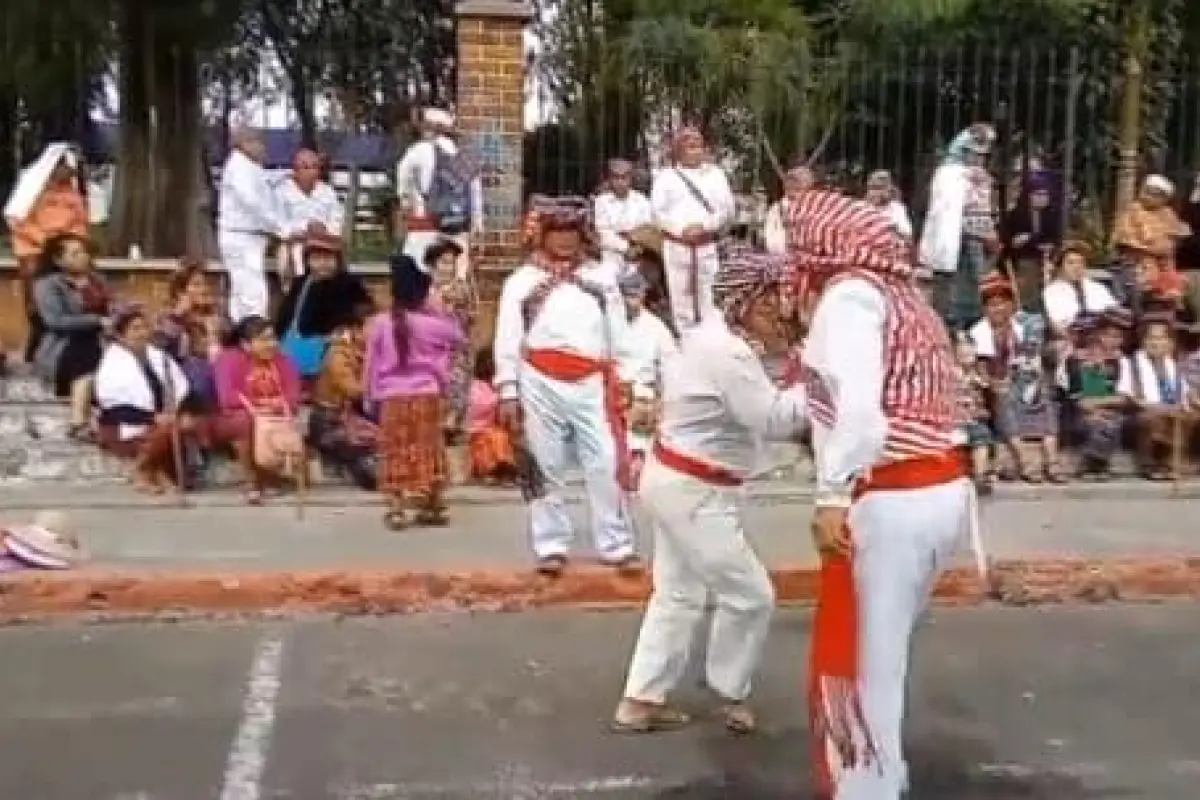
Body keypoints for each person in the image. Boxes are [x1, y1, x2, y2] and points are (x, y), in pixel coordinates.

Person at [788, 186, 975, 800]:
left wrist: (830, 494)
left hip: (893, 498)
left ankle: (867, 788)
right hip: (939, 490)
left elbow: (860, 415)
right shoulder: (907, 299)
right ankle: (884, 776)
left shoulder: (849, 298)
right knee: (886, 657)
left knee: (868, 664)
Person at [612, 246, 805, 735]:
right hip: (693, 491)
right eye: (767, 304)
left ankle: (640, 700)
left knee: (677, 594)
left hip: (680, 482)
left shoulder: (713, 339)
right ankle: (729, 691)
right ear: (740, 304)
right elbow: (774, 419)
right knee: (752, 595)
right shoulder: (728, 353)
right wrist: (820, 385)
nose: (778, 312)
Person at [493, 197, 640, 575]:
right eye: (556, 232)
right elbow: (508, 337)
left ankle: (616, 543)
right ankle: (551, 545)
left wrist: (628, 379)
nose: (564, 241)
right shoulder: (522, 282)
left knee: (606, 462)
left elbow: (619, 334)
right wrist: (508, 388)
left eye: (571, 232)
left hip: (593, 381)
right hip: (538, 380)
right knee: (544, 464)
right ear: (542, 235)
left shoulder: (601, 278)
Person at [365, 253, 465, 529]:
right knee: (429, 448)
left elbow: (371, 366)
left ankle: (396, 509)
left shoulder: (379, 324)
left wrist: (371, 399)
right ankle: (434, 504)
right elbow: (459, 337)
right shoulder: (433, 325)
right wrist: (438, 309)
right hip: (427, 394)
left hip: (391, 396)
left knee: (394, 451)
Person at [94, 307, 197, 494]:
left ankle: (156, 473)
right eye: (135, 329)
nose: (142, 333)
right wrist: (152, 418)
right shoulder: (112, 363)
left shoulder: (158, 356)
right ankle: (142, 470)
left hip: (164, 419)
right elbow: (112, 408)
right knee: (164, 430)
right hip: (122, 426)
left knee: (177, 431)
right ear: (121, 335)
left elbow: (181, 387)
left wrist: (182, 410)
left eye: (144, 328)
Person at [3, 143, 90, 363]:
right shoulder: (31, 189)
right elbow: (18, 220)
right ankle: (38, 335)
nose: (68, 171)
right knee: (35, 283)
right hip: (35, 247)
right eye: (64, 166)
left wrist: (70, 240)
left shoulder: (73, 195)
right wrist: (45, 240)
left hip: (66, 246)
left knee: (85, 276)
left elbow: (80, 223)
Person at [650, 127, 737, 332]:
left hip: (706, 244)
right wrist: (681, 230)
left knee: (710, 293)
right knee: (681, 295)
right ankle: (686, 338)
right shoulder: (665, 177)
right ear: (679, 150)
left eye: (699, 146)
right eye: (690, 147)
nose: (696, 151)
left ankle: (711, 338)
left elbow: (727, 209)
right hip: (677, 245)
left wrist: (705, 226)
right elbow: (656, 212)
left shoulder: (716, 175)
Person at [213, 316, 303, 504]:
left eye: (272, 338)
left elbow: (293, 395)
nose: (271, 344)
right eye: (263, 339)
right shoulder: (228, 359)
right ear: (246, 344)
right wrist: (262, 405)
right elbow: (227, 397)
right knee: (245, 421)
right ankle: (252, 481)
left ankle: (272, 474)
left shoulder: (283, 361)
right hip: (233, 417)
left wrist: (277, 405)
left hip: (273, 415)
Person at [918, 123, 999, 329]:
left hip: (974, 242)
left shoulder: (981, 177)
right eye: (974, 154)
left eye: (982, 155)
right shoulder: (949, 174)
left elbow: (984, 208)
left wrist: (987, 233)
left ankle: (971, 323)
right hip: (954, 242)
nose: (979, 159)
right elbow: (945, 210)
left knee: (975, 285)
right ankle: (948, 324)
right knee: (949, 288)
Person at [32, 233, 111, 439]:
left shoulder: (98, 280)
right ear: (58, 260)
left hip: (101, 344)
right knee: (84, 349)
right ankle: (78, 421)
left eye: (84, 252)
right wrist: (96, 321)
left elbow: (114, 309)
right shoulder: (47, 285)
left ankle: (89, 421)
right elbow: (55, 321)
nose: (83, 257)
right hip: (63, 347)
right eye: (75, 253)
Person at [394, 107, 484, 272]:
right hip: (458, 233)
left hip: (424, 228)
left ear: (429, 128)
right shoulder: (465, 158)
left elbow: (403, 184)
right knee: (453, 281)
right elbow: (476, 201)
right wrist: (477, 229)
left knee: (422, 279)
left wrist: (406, 202)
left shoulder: (418, 150)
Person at [274, 234, 372, 377]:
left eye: (327, 258)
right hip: (297, 350)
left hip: (335, 355)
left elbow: (362, 317)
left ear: (337, 260)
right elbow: (285, 318)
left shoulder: (350, 285)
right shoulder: (301, 284)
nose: (322, 263)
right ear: (307, 261)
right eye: (316, 258)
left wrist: (342, 334)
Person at [218, 128, 285, 323]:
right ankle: (252, 339)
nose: (264, 148)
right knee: (253, 296)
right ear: (245, 143)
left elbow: (266, 184)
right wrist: (279, 228)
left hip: (251, 238)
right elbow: (252, 202)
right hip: (241, 237)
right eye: (260, 143)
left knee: (244, 294)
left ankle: (242, 337)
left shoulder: (251, 166)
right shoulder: (239, 166)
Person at [309, 308, 377, 491]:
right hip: (329, 421)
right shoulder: (339, 355)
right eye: (373, 328)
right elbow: (353, 391)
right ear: (355, 330)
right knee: (369, 468)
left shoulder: (369, 353)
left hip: (356, 416)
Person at [616, 269, 678, 466]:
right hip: (612, 390)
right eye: (627, 294)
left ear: (643, 294)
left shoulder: (656, 327)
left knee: (639, 439)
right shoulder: (606, 321)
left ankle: (638, 459)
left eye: (636, 293)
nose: (632, 299)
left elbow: (671, 364)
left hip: (643, 393)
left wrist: (666, 399)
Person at [1118, 314, 1192, 480]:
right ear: (1143, 341)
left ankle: (1172, 462)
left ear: (1169, 343)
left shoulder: (1174, 365)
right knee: (1150, 418)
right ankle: (1149, 464)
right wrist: (1160, 408)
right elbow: (1129, 396)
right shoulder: (1131, 363)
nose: (1155, 343)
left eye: (1161, 338)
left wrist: (1181, 406)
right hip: (1141, 413)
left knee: (1191, 417)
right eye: (1151, 338)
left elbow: (1184, 395)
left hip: (1171, 411)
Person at [1064, 308, 1131, 480]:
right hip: (1079, 413)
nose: (1111, 341)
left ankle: (1092, 463)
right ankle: (1097, 464)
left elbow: (1123, 398)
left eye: (1117, 337)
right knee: (1096, 424)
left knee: (1112, 423)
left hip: (1112, 412)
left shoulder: (1121, 361)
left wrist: (1099, 404)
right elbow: (1077, 399)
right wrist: (1093, 408)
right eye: (1107, 336)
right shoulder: (1075, 361)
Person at [424, 237, 475, 437]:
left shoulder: (460, 288)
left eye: (452, 263)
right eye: (444, 262)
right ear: (432, 264)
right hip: (427, 351)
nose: (448, 268)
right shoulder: (423, 288)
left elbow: (466, 318)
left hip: (454, 351)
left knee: (454, 391)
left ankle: (452, 425)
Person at [275, 148, 344, 283]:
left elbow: (337, 219)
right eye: (305, 167)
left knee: (328, 264)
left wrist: (323, 229)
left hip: (323, 244)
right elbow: (277, 223)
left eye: (315, 167)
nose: (312, 172)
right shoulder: (282, 192)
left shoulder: (327, 191)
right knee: (292, 264)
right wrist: (304, 229)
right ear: (295, 170)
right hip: (294, 243)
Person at [1004, 171, 1063, 312]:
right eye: (1038, 195)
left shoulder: (1052, 214)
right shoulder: (1017, 214)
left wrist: (1039, 242)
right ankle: (1028, 310)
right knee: (1028, 271)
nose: (1042, 199)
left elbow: (1054, 238)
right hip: (1023, 258)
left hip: (1048, 258)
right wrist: (1027, 240)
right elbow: (1011, 241)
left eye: (1045, 195)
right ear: (1029, 196)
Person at [155, 259, 227, 363]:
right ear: (180, 291)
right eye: (196, 285)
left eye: (205, 284)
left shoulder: (220, 319)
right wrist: (177, 315)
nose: (204, 290)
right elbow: (160, 349)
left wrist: (213, 333)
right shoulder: (167, 320)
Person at [1042, 242, 1118, 339]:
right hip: (1071, 340)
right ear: (1060, 267)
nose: (1077, 266)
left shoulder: (1098, 288)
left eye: (1081, 262)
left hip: (1103, 340)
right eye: (1071, 263)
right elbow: (1056, 325)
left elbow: (1114, 313)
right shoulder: (1051, 292)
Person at [593, 158, 655, 273]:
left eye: (624, 177)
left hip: (639, 255)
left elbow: (647, 229)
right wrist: (626, 248)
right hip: (611, 255)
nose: (620, 182)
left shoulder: (642, 201)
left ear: (631, 179)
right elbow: (603, 232)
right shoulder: (601, 201)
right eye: (616, 177)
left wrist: (637, 248)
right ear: (609, 179)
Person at [466, 346, 516, 485]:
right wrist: (497, 399)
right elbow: (478, 408)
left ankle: (503, 469)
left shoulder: (502, 386)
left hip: (499, 428)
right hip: (478, 430)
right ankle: (491, 470)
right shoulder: (476, 386)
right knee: (493, 438)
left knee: (500, 436)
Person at [763, 165, 814, 256]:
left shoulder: (814, 207)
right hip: (783, 255)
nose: (792, 193)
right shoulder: (778, 209)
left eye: (797, 190)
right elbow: (770, 235)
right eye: (788, 189)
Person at [863, 170, 913, 242]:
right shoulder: (863, 209)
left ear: (888, 189)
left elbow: (908, 236)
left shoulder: (897, 208)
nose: (875, 193)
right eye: (872, 188)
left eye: (879, 188)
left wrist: (891, 228)